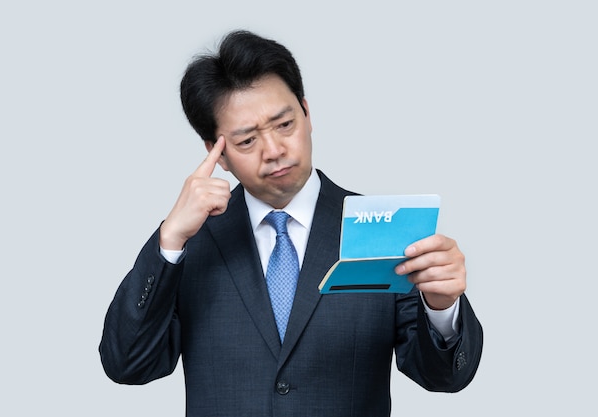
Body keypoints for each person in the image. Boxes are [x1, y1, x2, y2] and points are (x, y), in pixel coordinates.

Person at [99, 30, 483, 417]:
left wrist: (441, 306)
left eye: (284, 125)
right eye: (247, 141)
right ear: (218, 154)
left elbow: (444, 378)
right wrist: (169, 239)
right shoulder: (191, 243)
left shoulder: (382, 230)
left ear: (306, 113)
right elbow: (128, 365)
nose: (274, 151)